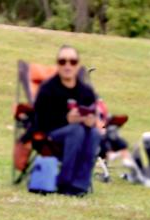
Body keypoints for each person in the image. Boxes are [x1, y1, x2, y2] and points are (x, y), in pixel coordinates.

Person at [31, 45, 101, 196]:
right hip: (50, 136)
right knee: (76, 130)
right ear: (58, 64)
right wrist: (66, 119)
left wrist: (90, 121)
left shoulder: (85, 91)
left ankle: (80, 186)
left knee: (94, 133)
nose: (68, 66)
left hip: (79, 135)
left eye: (72, 62)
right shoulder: (48, 89)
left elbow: (93, 113)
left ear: (77, 65)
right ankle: (65, 183)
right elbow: (39, 120)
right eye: (63, 61)